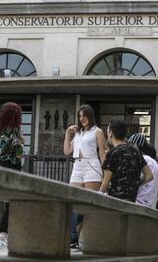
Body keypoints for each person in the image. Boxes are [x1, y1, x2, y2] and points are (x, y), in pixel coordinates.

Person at [63, 104, 106, 249]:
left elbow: (102, 154)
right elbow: (67, 151)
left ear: (90, 115)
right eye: (80, 116)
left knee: (88, 204)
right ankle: (74, 237)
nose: (82, 119)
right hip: (77, 167)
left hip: (91, 166)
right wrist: (68, 134)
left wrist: (107, 173)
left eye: (84, 115)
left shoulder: (98, 131)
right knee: (73, 201)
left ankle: (83, 238)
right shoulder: (78, 133)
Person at [0, 102, 24, 249]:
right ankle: (2, 233)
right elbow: (0, 156)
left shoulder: (7, 132)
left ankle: (2, 233)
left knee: (13, 203)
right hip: (9, 168)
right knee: (13, 203)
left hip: (11, 168)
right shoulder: (8, 132)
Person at [99, 119, 153, 201]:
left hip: (116, 201)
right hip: (131, 200)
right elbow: (149, 176)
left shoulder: (114, 152)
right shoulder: (136, 151)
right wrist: (136, 185)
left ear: (110, 133)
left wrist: (99, 195)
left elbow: (105, 183)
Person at [127, 133, 158, 209]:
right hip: (151, 204)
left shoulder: (142, 160)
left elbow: (138, 179)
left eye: (130, 145)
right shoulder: (153, 161)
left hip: (140, 202)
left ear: (135, 145)